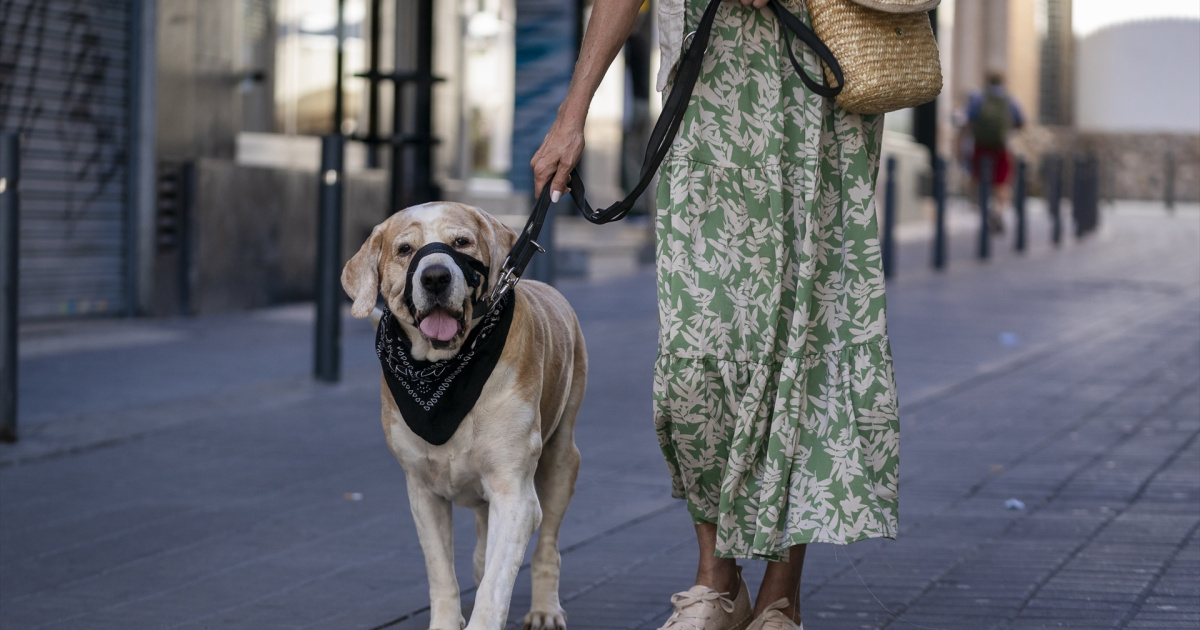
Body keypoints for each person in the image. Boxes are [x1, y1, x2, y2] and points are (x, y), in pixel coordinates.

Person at [531, 0, 899, 628]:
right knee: (695, 356)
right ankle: (718, 581)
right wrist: (573, 113)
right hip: (706, 95)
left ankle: (780, 595)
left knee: (802, 341)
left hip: (817, 98)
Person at [964, 70, 1025, 232]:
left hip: (980, 145)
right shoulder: (1010, 100)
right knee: (1001, 182)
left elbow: (969, 118)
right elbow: (1020, 122)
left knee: (977, 178)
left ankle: (983, 208)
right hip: (1001, 146)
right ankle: (998, 211)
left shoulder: (978, 97)